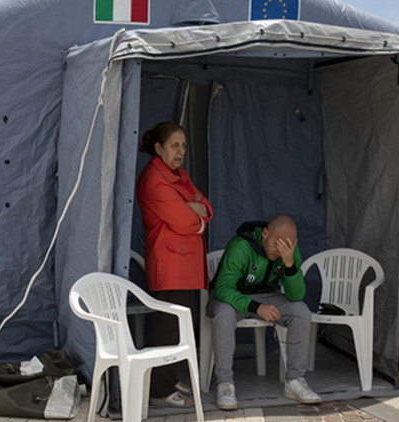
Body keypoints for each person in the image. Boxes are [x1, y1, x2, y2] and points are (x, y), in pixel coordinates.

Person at [136, 122, 213, 408]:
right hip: (171, 264)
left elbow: (206, 206)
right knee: (167, 327)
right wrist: (193, 210)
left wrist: (193, 207)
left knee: (176, 325)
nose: (180, 151)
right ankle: (158, 390)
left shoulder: (177, 174)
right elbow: (187, 220)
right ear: (158, 148)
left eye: (183, 145)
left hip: (183, 264)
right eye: (174, 145)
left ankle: (166, 379)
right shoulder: (154, 179)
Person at [208, 215, 320, 409]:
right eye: (276, 244)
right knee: (224, 314)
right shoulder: (241, 246)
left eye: (286, 246)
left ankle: (294, 380)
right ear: (265, 234)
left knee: (300, 311)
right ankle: (225, 383)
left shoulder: (289, 251)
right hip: (231, 297)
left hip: (267, 296)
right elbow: (223, 289)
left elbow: (297, 295)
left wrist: (289, 264)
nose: (279, 251)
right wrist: (255, 307)